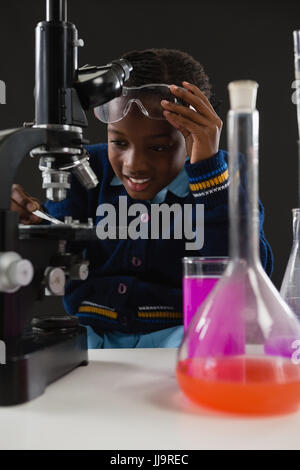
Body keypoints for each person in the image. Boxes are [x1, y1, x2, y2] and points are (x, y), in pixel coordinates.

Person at [10, 48, 273, 348]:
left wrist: (208, 175)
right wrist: (30, 224)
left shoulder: (223, 175)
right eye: (118, 142)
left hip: (186, 337)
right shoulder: (86, 168)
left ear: (192, 135)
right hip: (94, 336)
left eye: (158, 147)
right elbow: (57, 250)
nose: (134, 164)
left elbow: (253, 276)